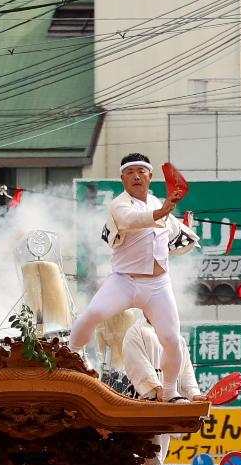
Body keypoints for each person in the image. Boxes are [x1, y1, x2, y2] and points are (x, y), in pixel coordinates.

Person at [68, 152, 191, 392]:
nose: (136, 177)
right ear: (122, 179)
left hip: (157, 285)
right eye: (130, 173)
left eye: (141, 172)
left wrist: (184, 228)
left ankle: (170, 391)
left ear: (150, 177)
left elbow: (177, 234)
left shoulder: (158, 204)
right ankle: (70, 358)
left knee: (172, 339)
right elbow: (130, 220)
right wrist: (161, 212)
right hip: (124, 281)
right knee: (93, 313)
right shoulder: (120, 204)